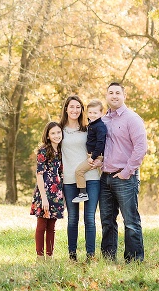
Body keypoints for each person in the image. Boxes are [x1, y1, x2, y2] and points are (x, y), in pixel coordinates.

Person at [100, 82, 148, 263]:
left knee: (131, 221)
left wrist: (127, 172)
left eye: (117, 93)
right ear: (106, 96)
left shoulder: (132, 118)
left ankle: (134, 260)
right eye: (110, 93)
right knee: (107, 221)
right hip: (105, 178)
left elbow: (141, 148)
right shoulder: (103, 120)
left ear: (124, 96)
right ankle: (108, 259)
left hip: (125, 177)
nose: (114, 96)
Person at [59, 95, 101, 261]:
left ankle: (90, 255)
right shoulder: (59, 130)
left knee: (89, 218)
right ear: (66, 109)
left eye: (78, 107)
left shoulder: (89, 128)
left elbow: (101, 147)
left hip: (90, 177)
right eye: (71, 107)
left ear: (82, 110)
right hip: (69, 179)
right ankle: (72, 255)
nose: (75, 110)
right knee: (72, 219)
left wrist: (99, 162)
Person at [29, 121, 65, 261]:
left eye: (58, 132)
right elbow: (39, 175)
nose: (56, 135)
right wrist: (44, 198)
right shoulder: (43, 150)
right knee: (42, 224)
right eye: (53, 133)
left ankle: (49, 257)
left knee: (52, 226)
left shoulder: (61, 151)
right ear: (48, 136)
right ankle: (39, 256)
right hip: (44, 191)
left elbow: (61, 173)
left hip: (57, 192)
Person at [72, 100, 107, 203]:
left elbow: (101, 143)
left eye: (95, 113)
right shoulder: (92, 124)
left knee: (79, 171)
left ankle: (82, 193)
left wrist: (93, 157)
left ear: (101, 113)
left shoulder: (100, 126)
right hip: (92, 155)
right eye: (90, 112)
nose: (92, 115)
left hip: (95, 156)